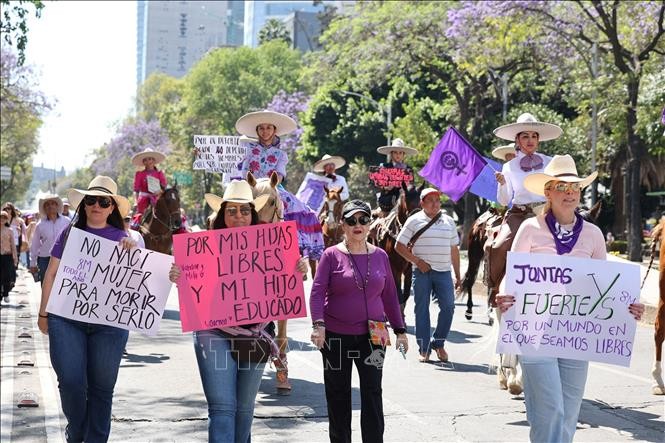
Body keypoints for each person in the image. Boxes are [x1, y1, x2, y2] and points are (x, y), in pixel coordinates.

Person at [495, 155, 645, 443]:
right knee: (548, 409)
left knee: (569, 410)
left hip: (576, 335)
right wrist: (504, 292)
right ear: (548, 192)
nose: (570, 193)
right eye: (562, 187)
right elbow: (513, 275)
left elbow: (605, 286)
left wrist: (629, 307)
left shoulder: (593, 234)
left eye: (575, 188)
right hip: (535, 332)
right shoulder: (530, 229)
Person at [169, 180, 308, 443]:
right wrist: (179, 275)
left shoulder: (272, 246)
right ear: (222, 214)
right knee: (222, 409)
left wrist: (299, 270)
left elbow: (283, 285)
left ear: (253, 214)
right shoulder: (203, 246)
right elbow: (193, 285)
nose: (238, 216)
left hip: (255, 334)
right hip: (213, 332)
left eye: (244, 210)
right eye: (231, 210)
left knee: (244, 410)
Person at [37, 176, 133, 443]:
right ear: (84, 204)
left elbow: (144, 280)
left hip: (109, 326)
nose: (97, 206)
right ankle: (77, 430)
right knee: (71, 382)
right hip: (66, 320)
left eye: (104, 201)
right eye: (91, 200)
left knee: (102, 389)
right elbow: (52, 274)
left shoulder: (126, 240)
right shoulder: (68, 234)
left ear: (112, 207)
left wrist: (132, 249)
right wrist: (43, 313)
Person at [310, 199, 408, 443]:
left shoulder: (381, 256)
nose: (358, 225)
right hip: (335, 336)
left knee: (373, 392)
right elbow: (317, 292)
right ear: (343, 224)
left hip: (374, 337)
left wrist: (400, 329)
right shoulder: (330, 256)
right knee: (338, 394)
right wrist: (318, 325)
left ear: (370, 224)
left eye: (363, 219)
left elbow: (390, 296)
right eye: (351, 220)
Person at [487, 112, 563, 303]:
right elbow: (504, 201)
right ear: (517, 140)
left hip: (547, 214)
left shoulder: (550, 162)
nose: (530, 140)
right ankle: (494, 289)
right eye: (525, 136)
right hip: (519, 214)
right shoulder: (509, 167)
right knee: (497, 246)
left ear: (538, 140)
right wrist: (503, 183)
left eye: (534, 136)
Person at [395, 188, 461, 362]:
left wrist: (458, 275)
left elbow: (454, 250)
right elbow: (399, 246)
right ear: (422, 203)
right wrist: (417, 261)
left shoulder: (449, 221)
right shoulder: (414, 220)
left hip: (444, 272)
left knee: (448, 307)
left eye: (437, 200)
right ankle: (424, 349)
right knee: (421, 309)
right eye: (430, 200)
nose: (435, 203)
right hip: (422, 272)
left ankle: (438, 343)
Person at [29, 194, 70, 285]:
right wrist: (32, 263)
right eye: (47, 204)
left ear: (57, 206)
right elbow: (35, 245)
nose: (50, 206)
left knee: (61, 284)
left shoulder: (67, 221)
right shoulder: (40, 225)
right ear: (44, 208)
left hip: (62, 258)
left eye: (53, 203)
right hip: (45, 258)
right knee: (46, 284)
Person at [375, 138, 418, 214]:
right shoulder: (384, 167)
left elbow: (412, 185)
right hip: (387, 201)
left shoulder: (408, 169)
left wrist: (407, 188)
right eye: (395, 152)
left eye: (400, 153)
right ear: (391, 154)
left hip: (405, 200)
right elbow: (377, 184)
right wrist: (386, 187)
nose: (398, 155)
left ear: (403, 154)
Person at [132, 147, 167, 217]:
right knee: (139, 217)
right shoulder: (139, 174)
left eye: (150, 159)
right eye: (146, 160)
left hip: (157, 198)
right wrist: (135, 201)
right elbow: (136, 190)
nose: (148, 161)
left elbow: (164, 186)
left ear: (154, 161)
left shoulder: (160, 173)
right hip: (143, 200)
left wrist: (159, 191)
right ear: (143, 162)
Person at [0, 210, 18, 304]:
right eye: (1, 217)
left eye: (4, 218)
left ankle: (6, 293)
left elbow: (13, 245)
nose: (2, 219)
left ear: (7, 219)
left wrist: (15, 257)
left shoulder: (10, 230)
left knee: (7, 276)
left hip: (7, 256)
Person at [2, 202, 26, 268]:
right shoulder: (2, 219)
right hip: (5, 243)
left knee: (14, 261)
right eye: (5, 209)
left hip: (15, 242)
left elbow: (21, 233)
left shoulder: (17, 220)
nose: (7, 210)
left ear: (12, 210)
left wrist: (19, 232)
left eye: (8, 208)